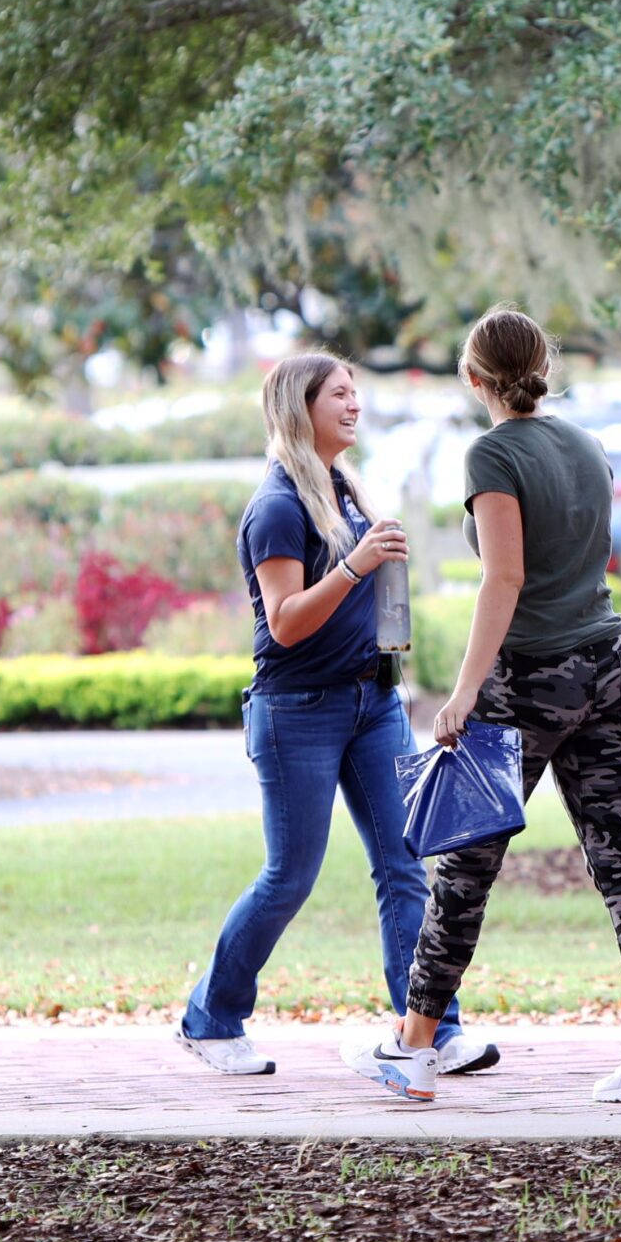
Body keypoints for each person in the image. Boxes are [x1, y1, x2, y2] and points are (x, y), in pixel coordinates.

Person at [359, 306, 621, 1105]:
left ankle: (411, 1048)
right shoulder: (586, 443)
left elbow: (503, 578)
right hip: (610, 667)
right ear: (541, 364)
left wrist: (465, 690)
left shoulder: (491, 452)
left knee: (466, 866)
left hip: (529, 681)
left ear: (471, 378)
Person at [177, 353, 494, 1077]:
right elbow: (285, 622)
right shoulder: (279, 505)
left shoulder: (343, 486)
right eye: (340, 395)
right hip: (298, 711)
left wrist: (382, 578)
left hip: (372, 701)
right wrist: (353, 564)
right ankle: (211, 1015)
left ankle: (431, 1030)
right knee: (290, 874)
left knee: (405, 862)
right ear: (302, 408)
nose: (355, 404)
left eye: (357, 392)